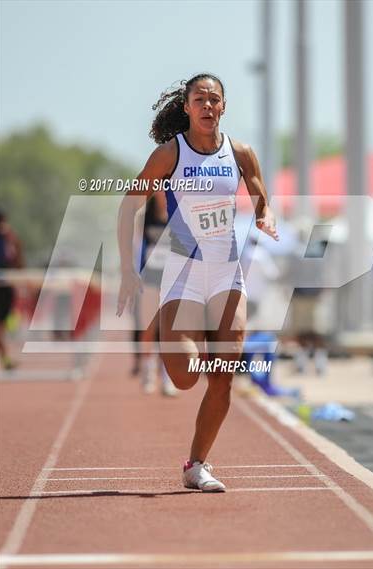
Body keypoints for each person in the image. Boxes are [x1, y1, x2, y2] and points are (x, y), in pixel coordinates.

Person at [117, 73, 278, 492]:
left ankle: (196, 465)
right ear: (186, 107)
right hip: (184, 271)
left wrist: (266, 216)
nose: (207, 106)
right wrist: (126, 269)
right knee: (188, 376)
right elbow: (129, 204)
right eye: (199, 99)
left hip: (226, 272)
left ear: (224, 107)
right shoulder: (170, 154)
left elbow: (261, 195)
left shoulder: (240, 153)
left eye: (214, 99)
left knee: (222, 378)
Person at [133, 193, 177, 396]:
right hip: (149, 278)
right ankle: (148, 372)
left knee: (169, 330)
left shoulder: (178, 214)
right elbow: (137, 248)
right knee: (149, 328)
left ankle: (167, 377)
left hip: (171, 278)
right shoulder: (144, 217)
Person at [0, 208, 24, 369]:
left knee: (0, 325)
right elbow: (16, 259)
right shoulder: (7, 238)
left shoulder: (7, 238)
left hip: (5, 285)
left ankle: (5, 359)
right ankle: (5, 359)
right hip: (2, 286)